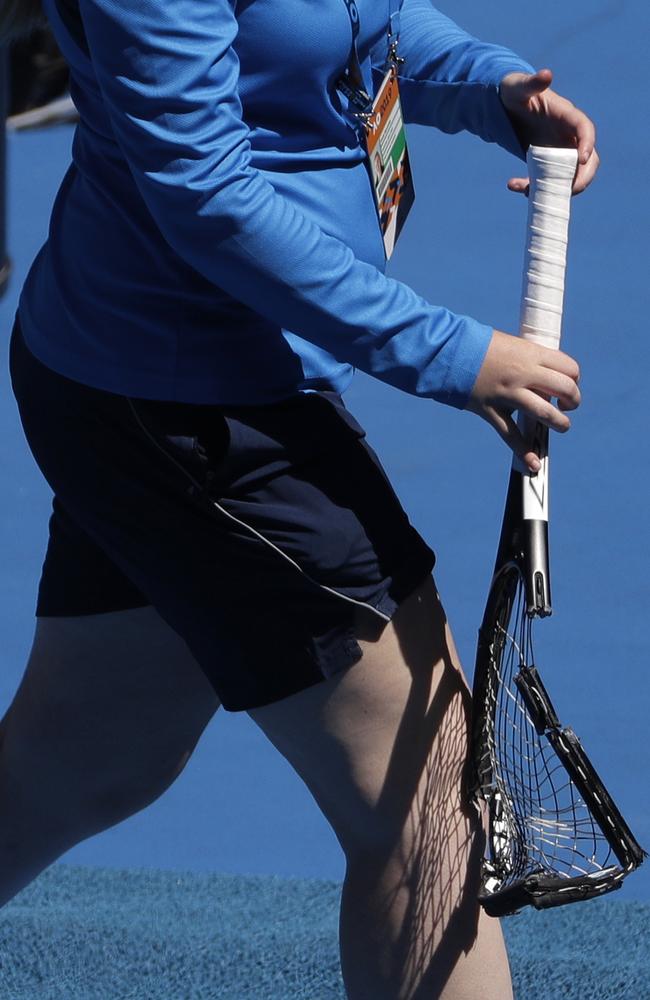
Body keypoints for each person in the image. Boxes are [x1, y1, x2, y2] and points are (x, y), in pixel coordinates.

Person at [1, 0, 597, 997]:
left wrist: (492, 87)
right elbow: (205, 191)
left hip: (159, 382)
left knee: (91, 753)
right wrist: (451, 354)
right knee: (427, 816)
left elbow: (365, 19)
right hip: (194, 410)